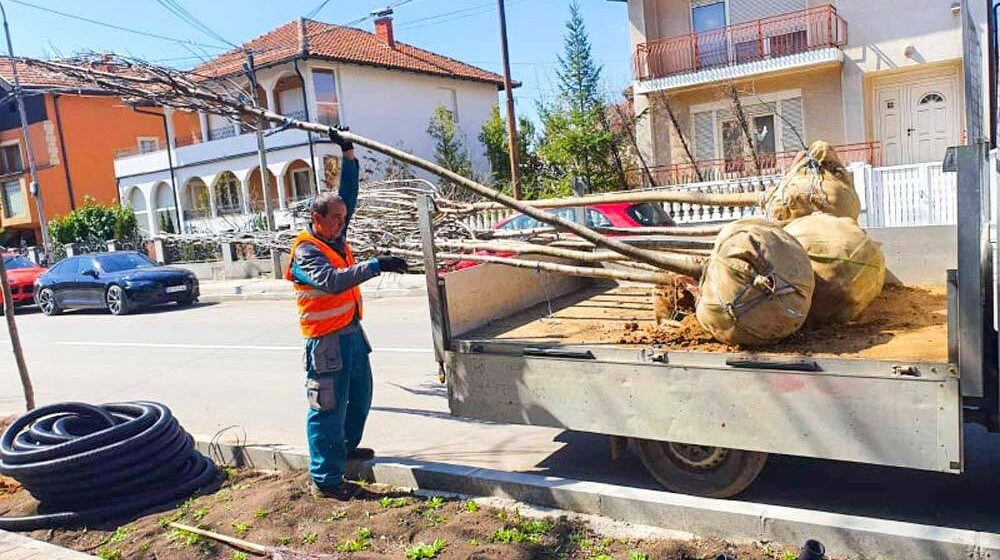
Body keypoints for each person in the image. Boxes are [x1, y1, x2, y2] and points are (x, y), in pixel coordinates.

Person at [285, 128, 408, 498]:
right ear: (316, 217)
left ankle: (346, 449)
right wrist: (375, 264)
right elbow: (331, 281)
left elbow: (347, 195)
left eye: (343, 217)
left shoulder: (333, 236)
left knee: (360, 397)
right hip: (326, 343)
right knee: (327, 409)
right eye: (335, 217)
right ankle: (326, 478)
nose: (342, 221)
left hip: (351, 334)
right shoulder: (306, 251)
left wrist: (349, 154)